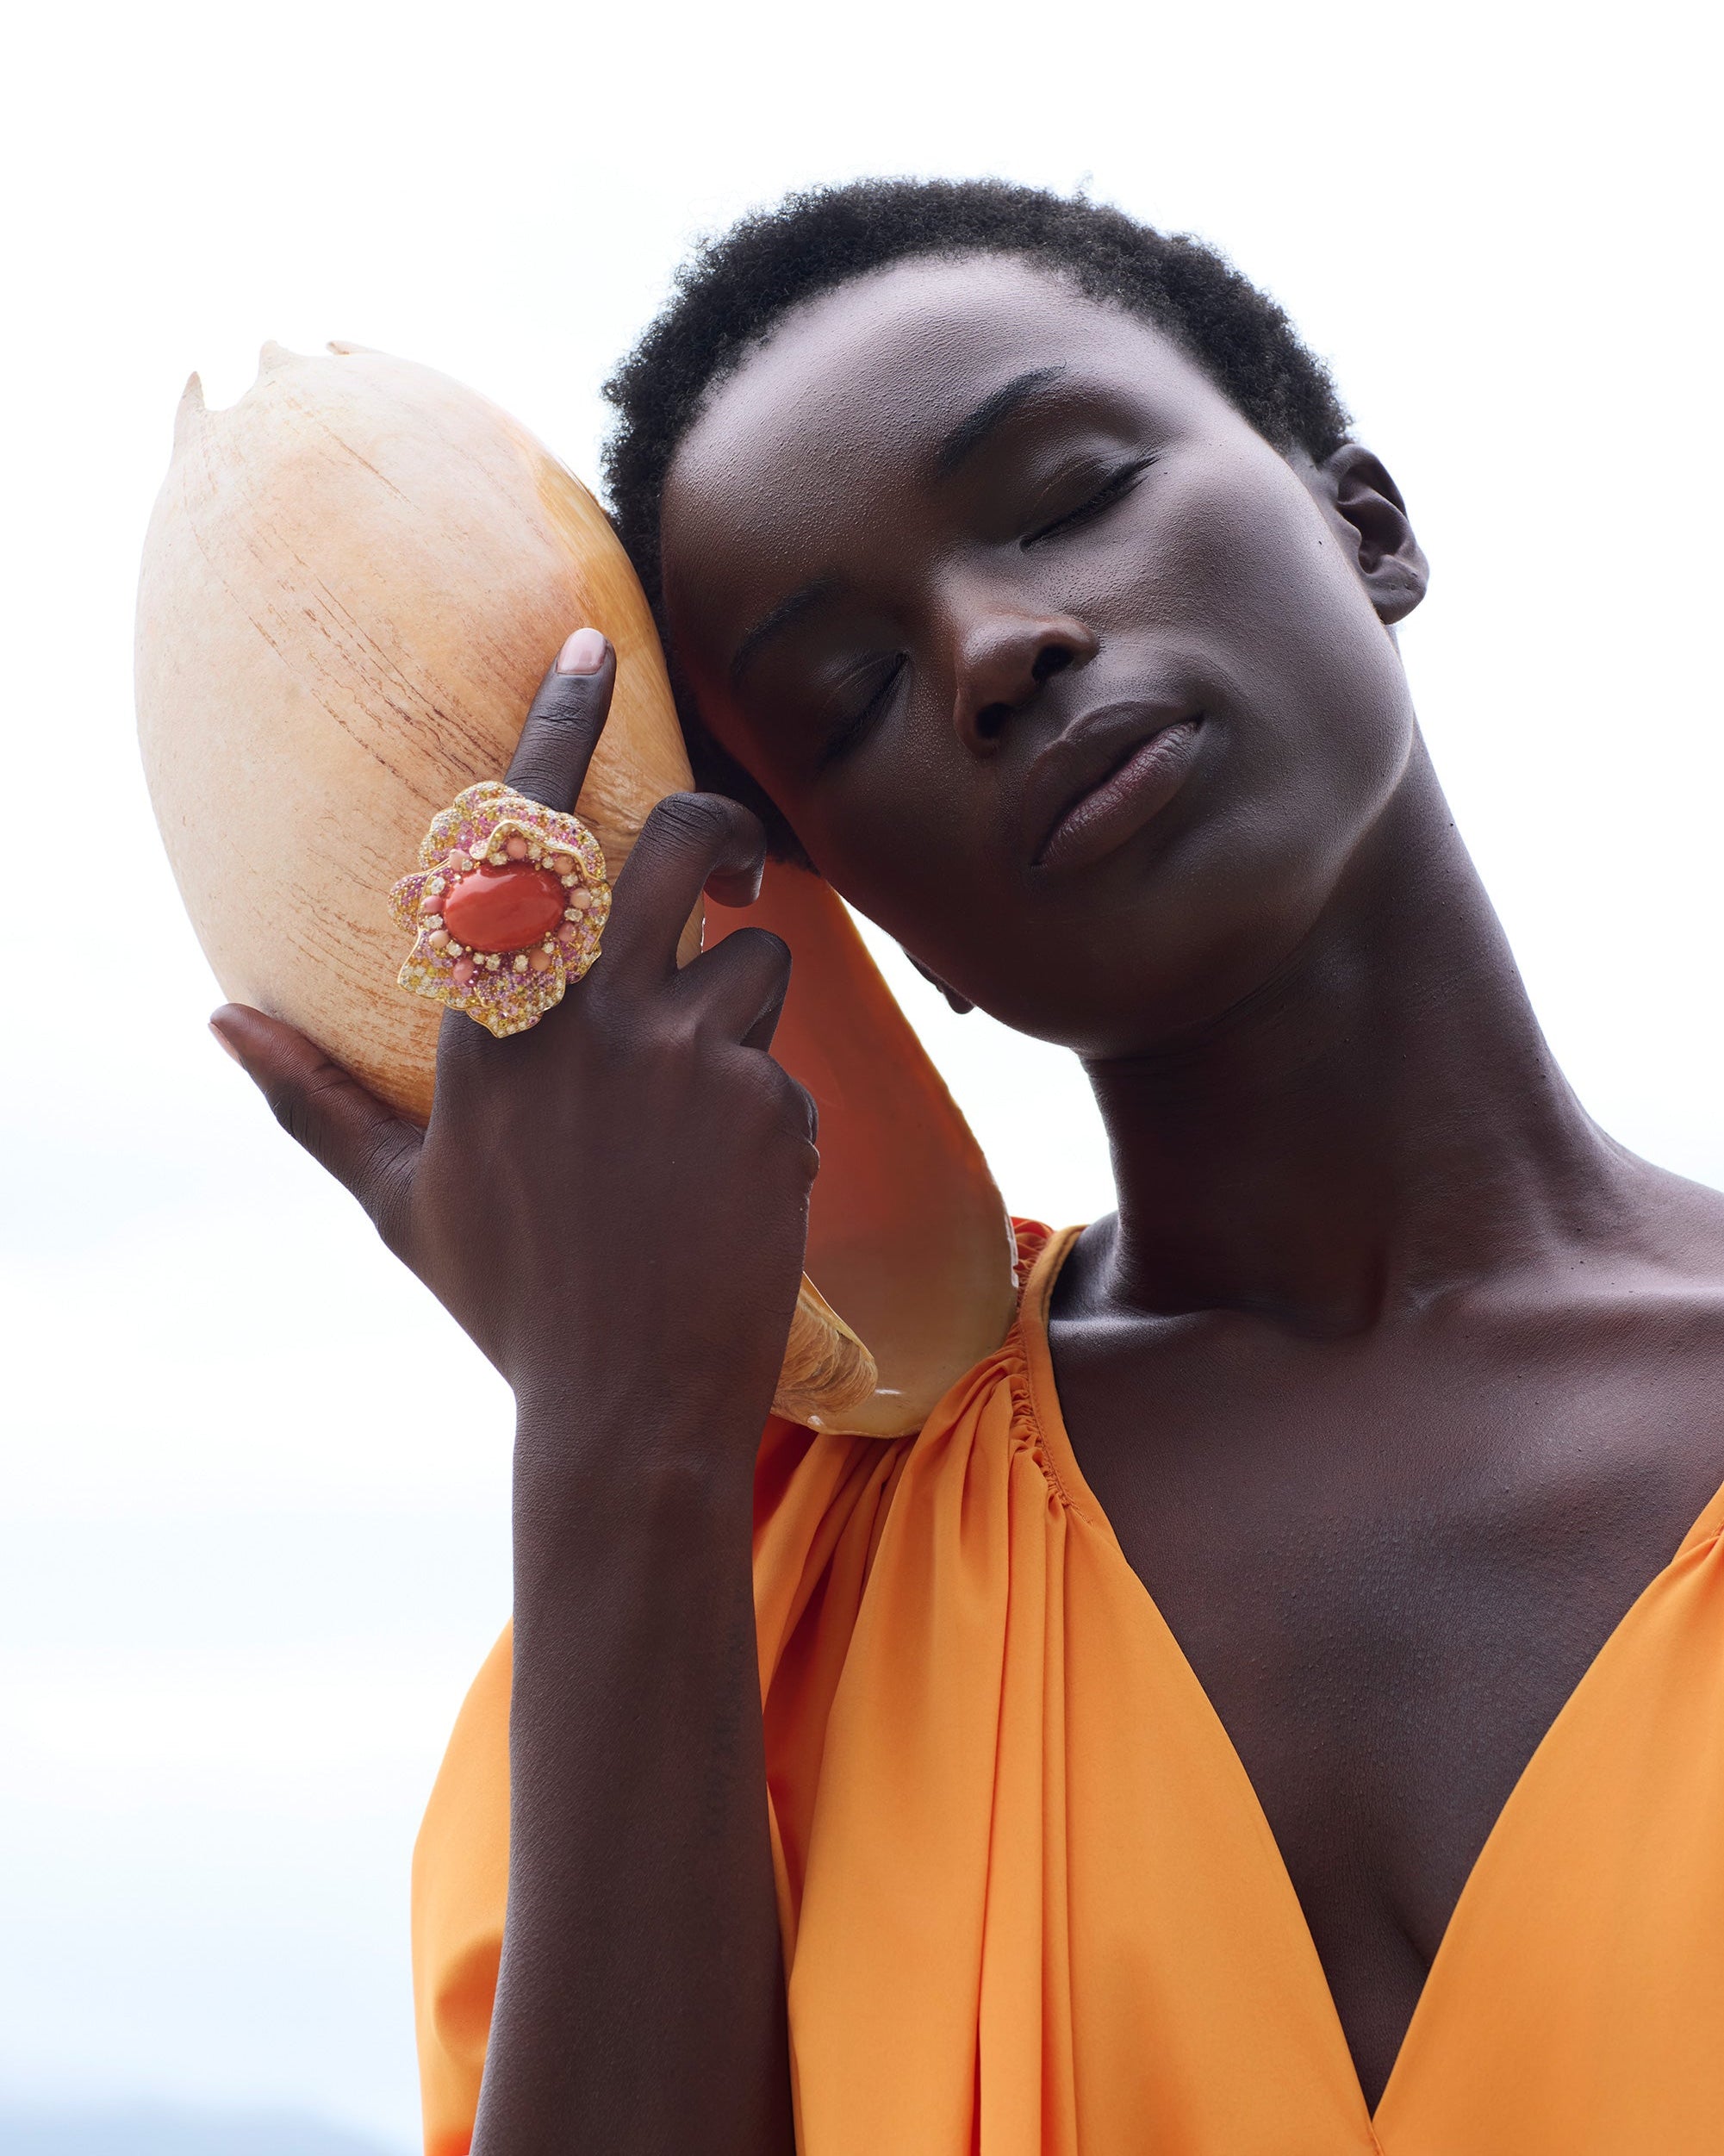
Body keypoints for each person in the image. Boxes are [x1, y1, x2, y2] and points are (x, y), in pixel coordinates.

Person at [211, 181, 1724, 2154]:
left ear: (1363, 526)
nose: (997, 648)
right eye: (845, 697)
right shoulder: (757, 1569)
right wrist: (614, 1429)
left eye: (1073, 487)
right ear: (858, 906)